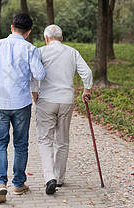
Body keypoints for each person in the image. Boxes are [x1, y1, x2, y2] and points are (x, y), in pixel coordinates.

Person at [0, 14, 46, 203]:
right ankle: (18, 184)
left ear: (11, 27)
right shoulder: (30, 48)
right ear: (29, 32)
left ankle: (0, 184)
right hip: (21, 103)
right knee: (21, 144)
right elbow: (40, 74)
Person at [31, 24, 93, 195]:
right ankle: (59, 178)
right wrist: (86, 91)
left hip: (46, 100)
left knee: (45, 140)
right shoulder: (72, 52)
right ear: (62, 38)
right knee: (62, 140)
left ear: (46, 39)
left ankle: (49, 177)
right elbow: (87, 73)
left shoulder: (40, 52)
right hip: (66, 100)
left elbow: (34, 75)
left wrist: (35, 94)